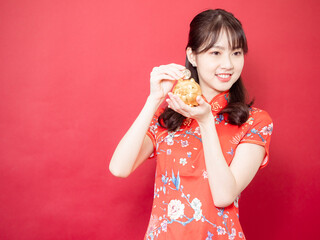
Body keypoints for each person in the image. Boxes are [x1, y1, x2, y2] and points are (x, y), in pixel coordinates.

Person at [109, 9, 273, 240]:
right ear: (193, 56)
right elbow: (119, 168)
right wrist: (153, 99)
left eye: (236, 53)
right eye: (216, 52)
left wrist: (206, 123)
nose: (228, 64)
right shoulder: (169, 116)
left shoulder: (255, 121)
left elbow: (223, 196)